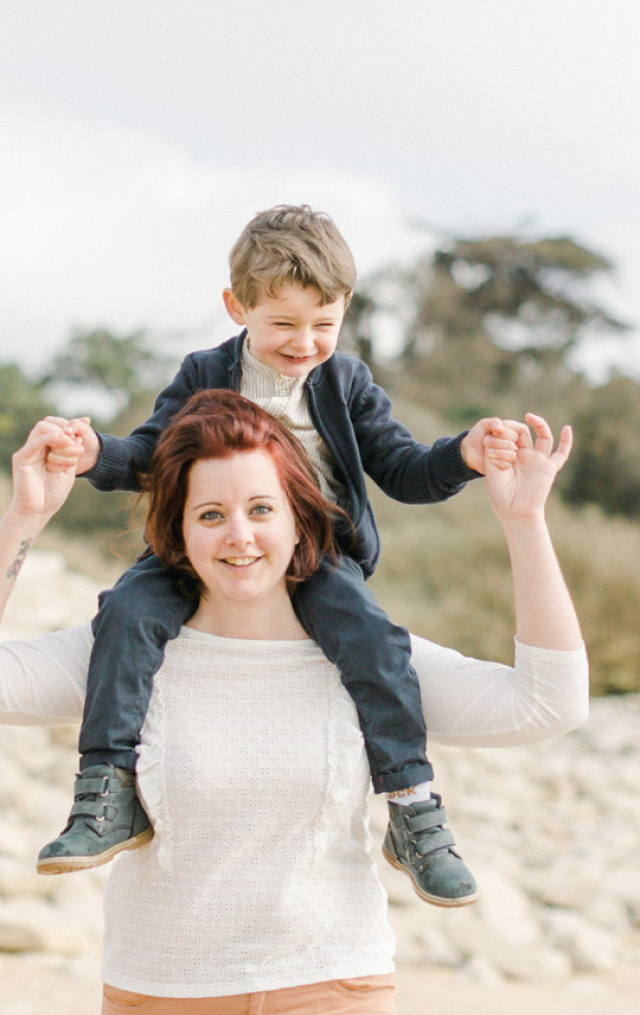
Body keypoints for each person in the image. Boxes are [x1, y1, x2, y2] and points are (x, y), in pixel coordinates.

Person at [0, 390, 588, 1015]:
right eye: (211, 515)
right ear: (179, 530)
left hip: (331, 1008)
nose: (239, 536)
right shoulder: (123, 654)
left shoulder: (372, 659)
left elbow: (547, 705)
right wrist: (25, 517)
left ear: (299, 517)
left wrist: (524, 524)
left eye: (262, 510)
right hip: (159, 1011)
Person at [34, 204, 523, 906]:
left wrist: (464, 454)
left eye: (324, 325)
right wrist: (93, 454)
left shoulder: (345, 384)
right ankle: (108, 792)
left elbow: (405, 470)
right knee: (127, 612)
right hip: (200, 543)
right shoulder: (205, 371)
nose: (305, 343)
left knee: (376, 641)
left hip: (313, 549)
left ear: (345, 309)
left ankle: (413, 809)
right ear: (238, 307)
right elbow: (148, 456)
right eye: (283, 325)